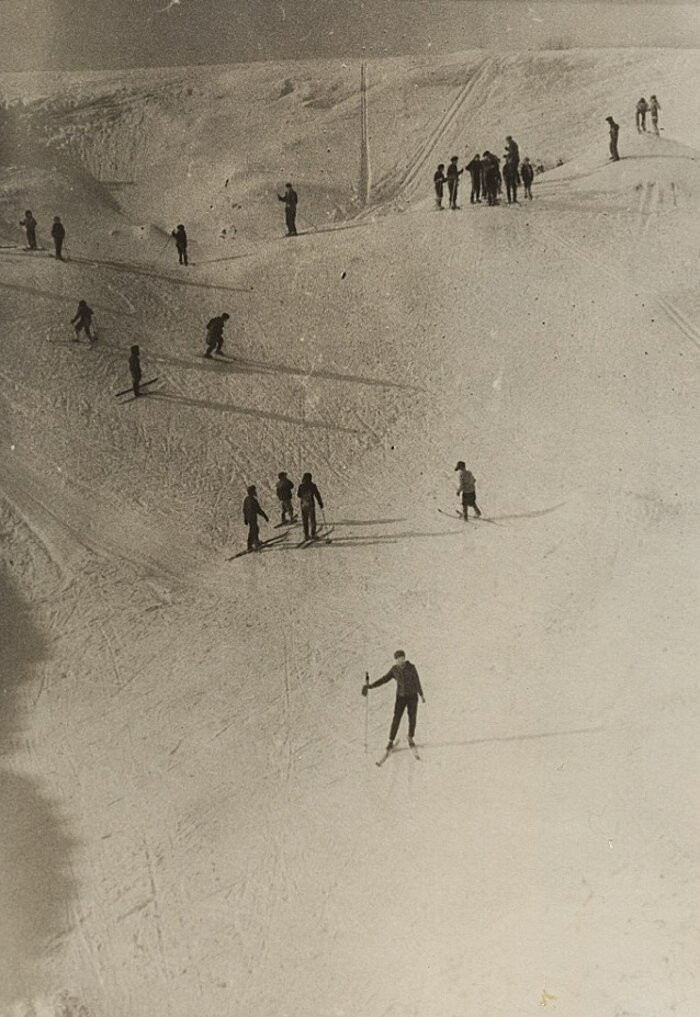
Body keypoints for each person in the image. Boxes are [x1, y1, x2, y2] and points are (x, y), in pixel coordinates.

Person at [362, 650, 425, 752]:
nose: (401, 661)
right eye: (399, 659)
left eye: (403, 658)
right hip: (400, 697)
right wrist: (371, 686)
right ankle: (391, 741)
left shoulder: (411, 667)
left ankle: (410, 737)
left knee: (412, 718)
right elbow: (384, 679)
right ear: (396, 660)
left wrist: (421, 694)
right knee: (396, 719)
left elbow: (417, 681)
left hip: (412, 697)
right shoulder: (394, 670)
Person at [297, 471, 324, 541]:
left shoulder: (301, 486)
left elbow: (298, 495)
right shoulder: (313, 485)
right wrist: (320, 503)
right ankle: (313, 534)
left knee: (305, 520)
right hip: (311, 504)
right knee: (312, 520)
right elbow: (317, 494)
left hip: (303, 504)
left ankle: (306, 535)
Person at [243, 485, 269, 550]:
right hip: (252, 517)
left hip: (249, 517)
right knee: (253, 530)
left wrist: (245, 518)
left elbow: (244, 509)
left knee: (255, 529)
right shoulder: (253, 500)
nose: (255, 492)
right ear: (252, 492)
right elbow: (258, 509)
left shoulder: (246, 499)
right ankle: (250, 544)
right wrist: (265, 516)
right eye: (254, 491)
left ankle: (255, 541)